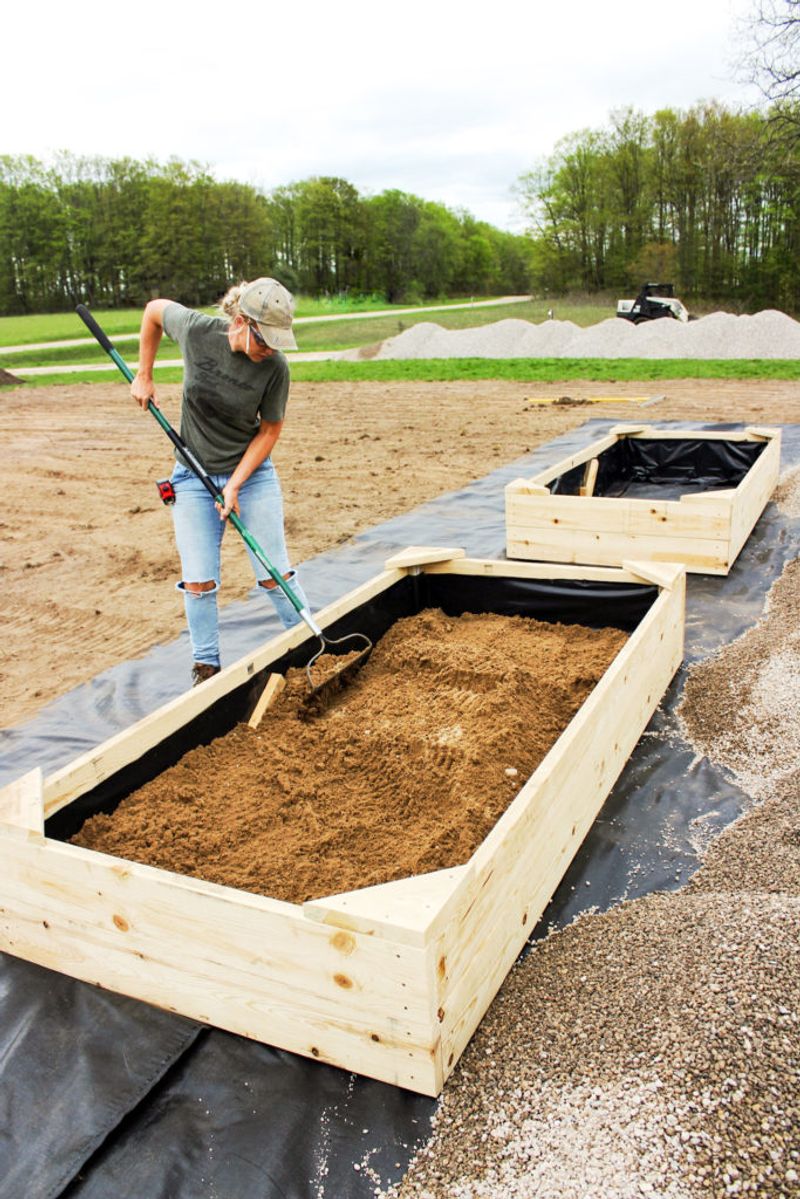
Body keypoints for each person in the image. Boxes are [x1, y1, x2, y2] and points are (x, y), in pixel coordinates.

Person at [131, 277, 310, 687]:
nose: (271, 349)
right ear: (242, 322)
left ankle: (312, 646)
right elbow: (154, 311)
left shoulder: (275, 368)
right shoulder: (197, 332)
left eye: (278, 342)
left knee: (272, 572)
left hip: (251, 474)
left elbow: (269, 430)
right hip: (192, 474)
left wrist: (235, 484)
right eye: (265, 340)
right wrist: (144, 374)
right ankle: (206, 670)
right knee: (198, 582)